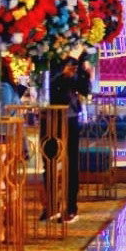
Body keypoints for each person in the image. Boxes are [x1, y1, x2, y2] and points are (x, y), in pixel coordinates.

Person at [40, 55, 90, 223]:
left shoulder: (75, 62)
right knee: (49, 161)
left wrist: (81, 73)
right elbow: (44, 84)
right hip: (48, 116)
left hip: (69, 117)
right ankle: (51, 205)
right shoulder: (46, 60)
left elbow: (85, 89)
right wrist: (63, 73)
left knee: (71, 163)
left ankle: (70, 207)